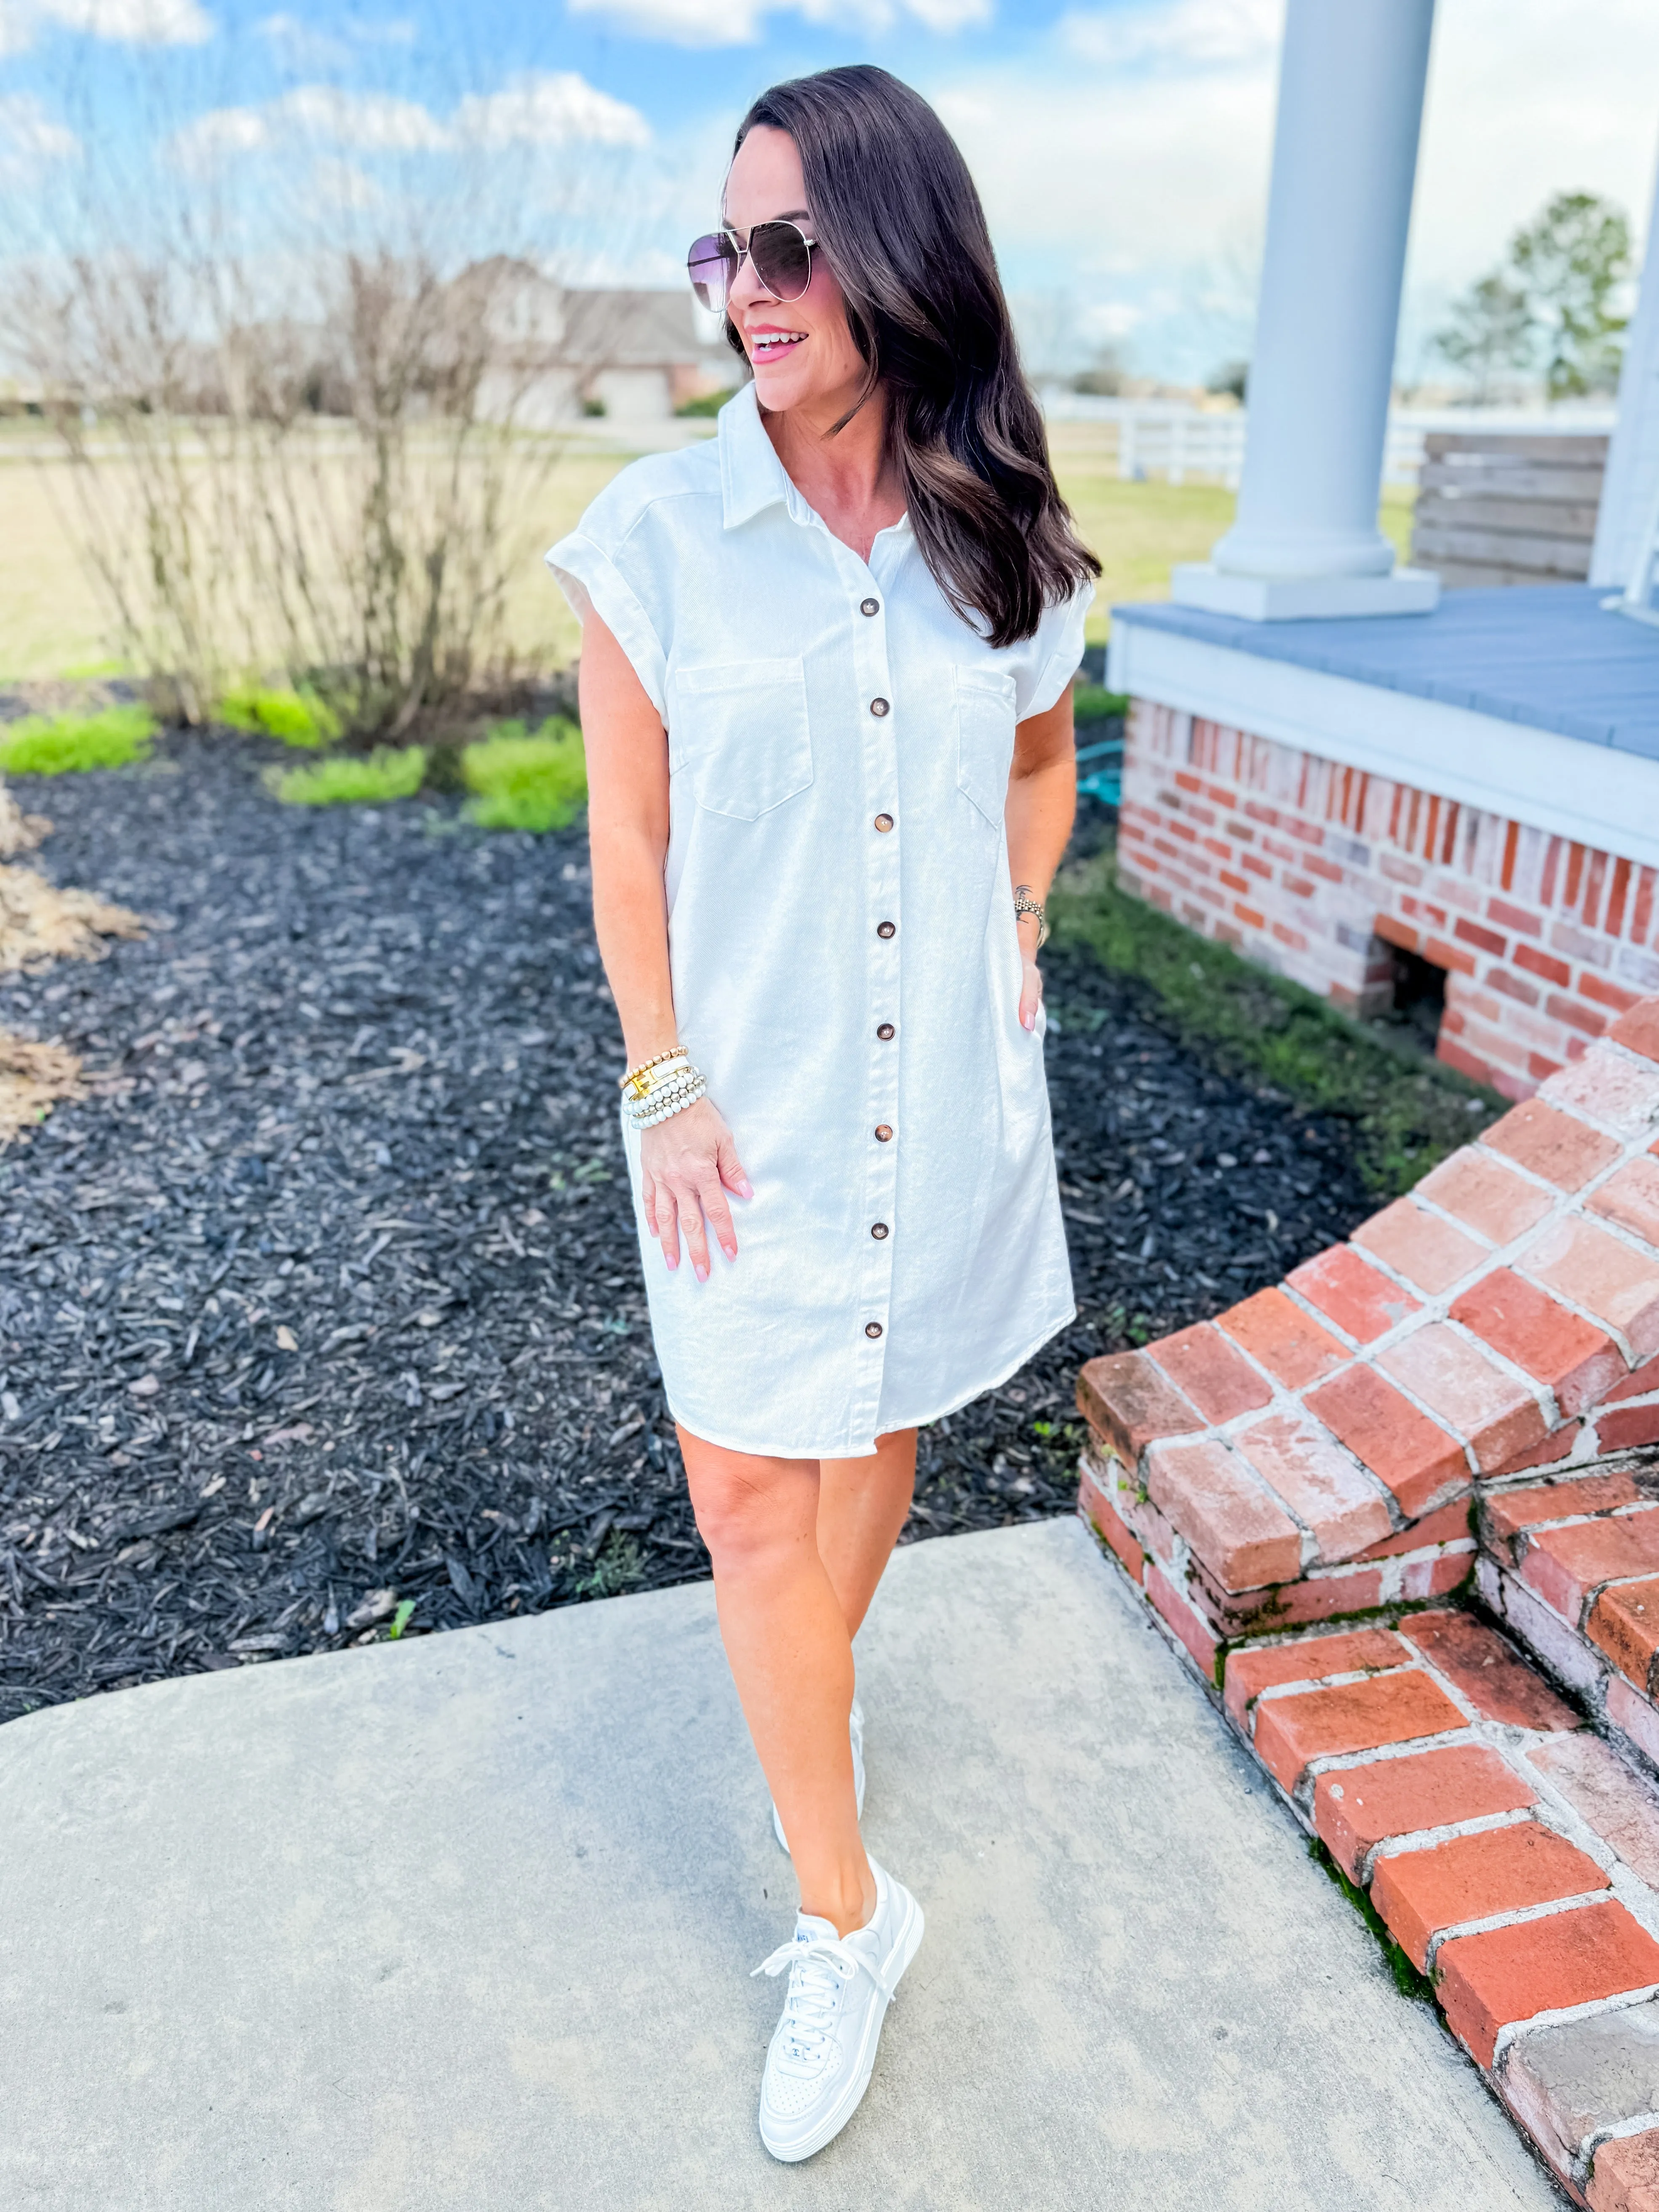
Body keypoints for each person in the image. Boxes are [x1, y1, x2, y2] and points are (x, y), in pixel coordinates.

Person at [546, 62, 1097, 2164]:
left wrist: (1024, 914)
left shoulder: (997, 536)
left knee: (876, 1432)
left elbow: (1042, 763)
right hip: (734, 1112)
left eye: (788, 246)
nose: (750, 289)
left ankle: (810, 1723)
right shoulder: (658, 538)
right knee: (747, 1505)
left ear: (890, 246)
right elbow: (624, 842)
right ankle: (847, 1915)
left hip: (938, 1096)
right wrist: (660, 1075)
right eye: (726, 249)